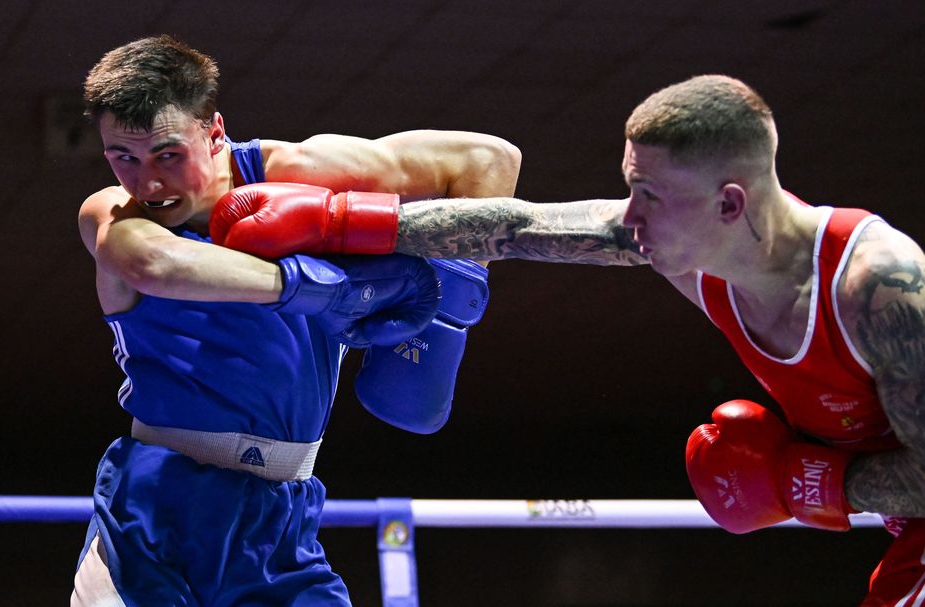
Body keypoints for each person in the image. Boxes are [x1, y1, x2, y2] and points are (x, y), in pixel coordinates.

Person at [233, 74, 923, 605]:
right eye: (632, 187)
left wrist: (801, 482)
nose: (630, 215)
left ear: (730, 203)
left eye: (649, 194)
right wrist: (340, 221)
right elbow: (521, 227)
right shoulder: (693, 253)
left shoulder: (881, 288)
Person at [72, 34, 520, 606]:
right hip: (157, 508)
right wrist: (314, 290)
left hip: (282, 513)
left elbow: (487, 161)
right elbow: (154, 264)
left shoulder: (296, 172)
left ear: (213, 133)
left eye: (166, 155)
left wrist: (446, 310)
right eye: (123, 158)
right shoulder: (112, 213)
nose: (148, 182)